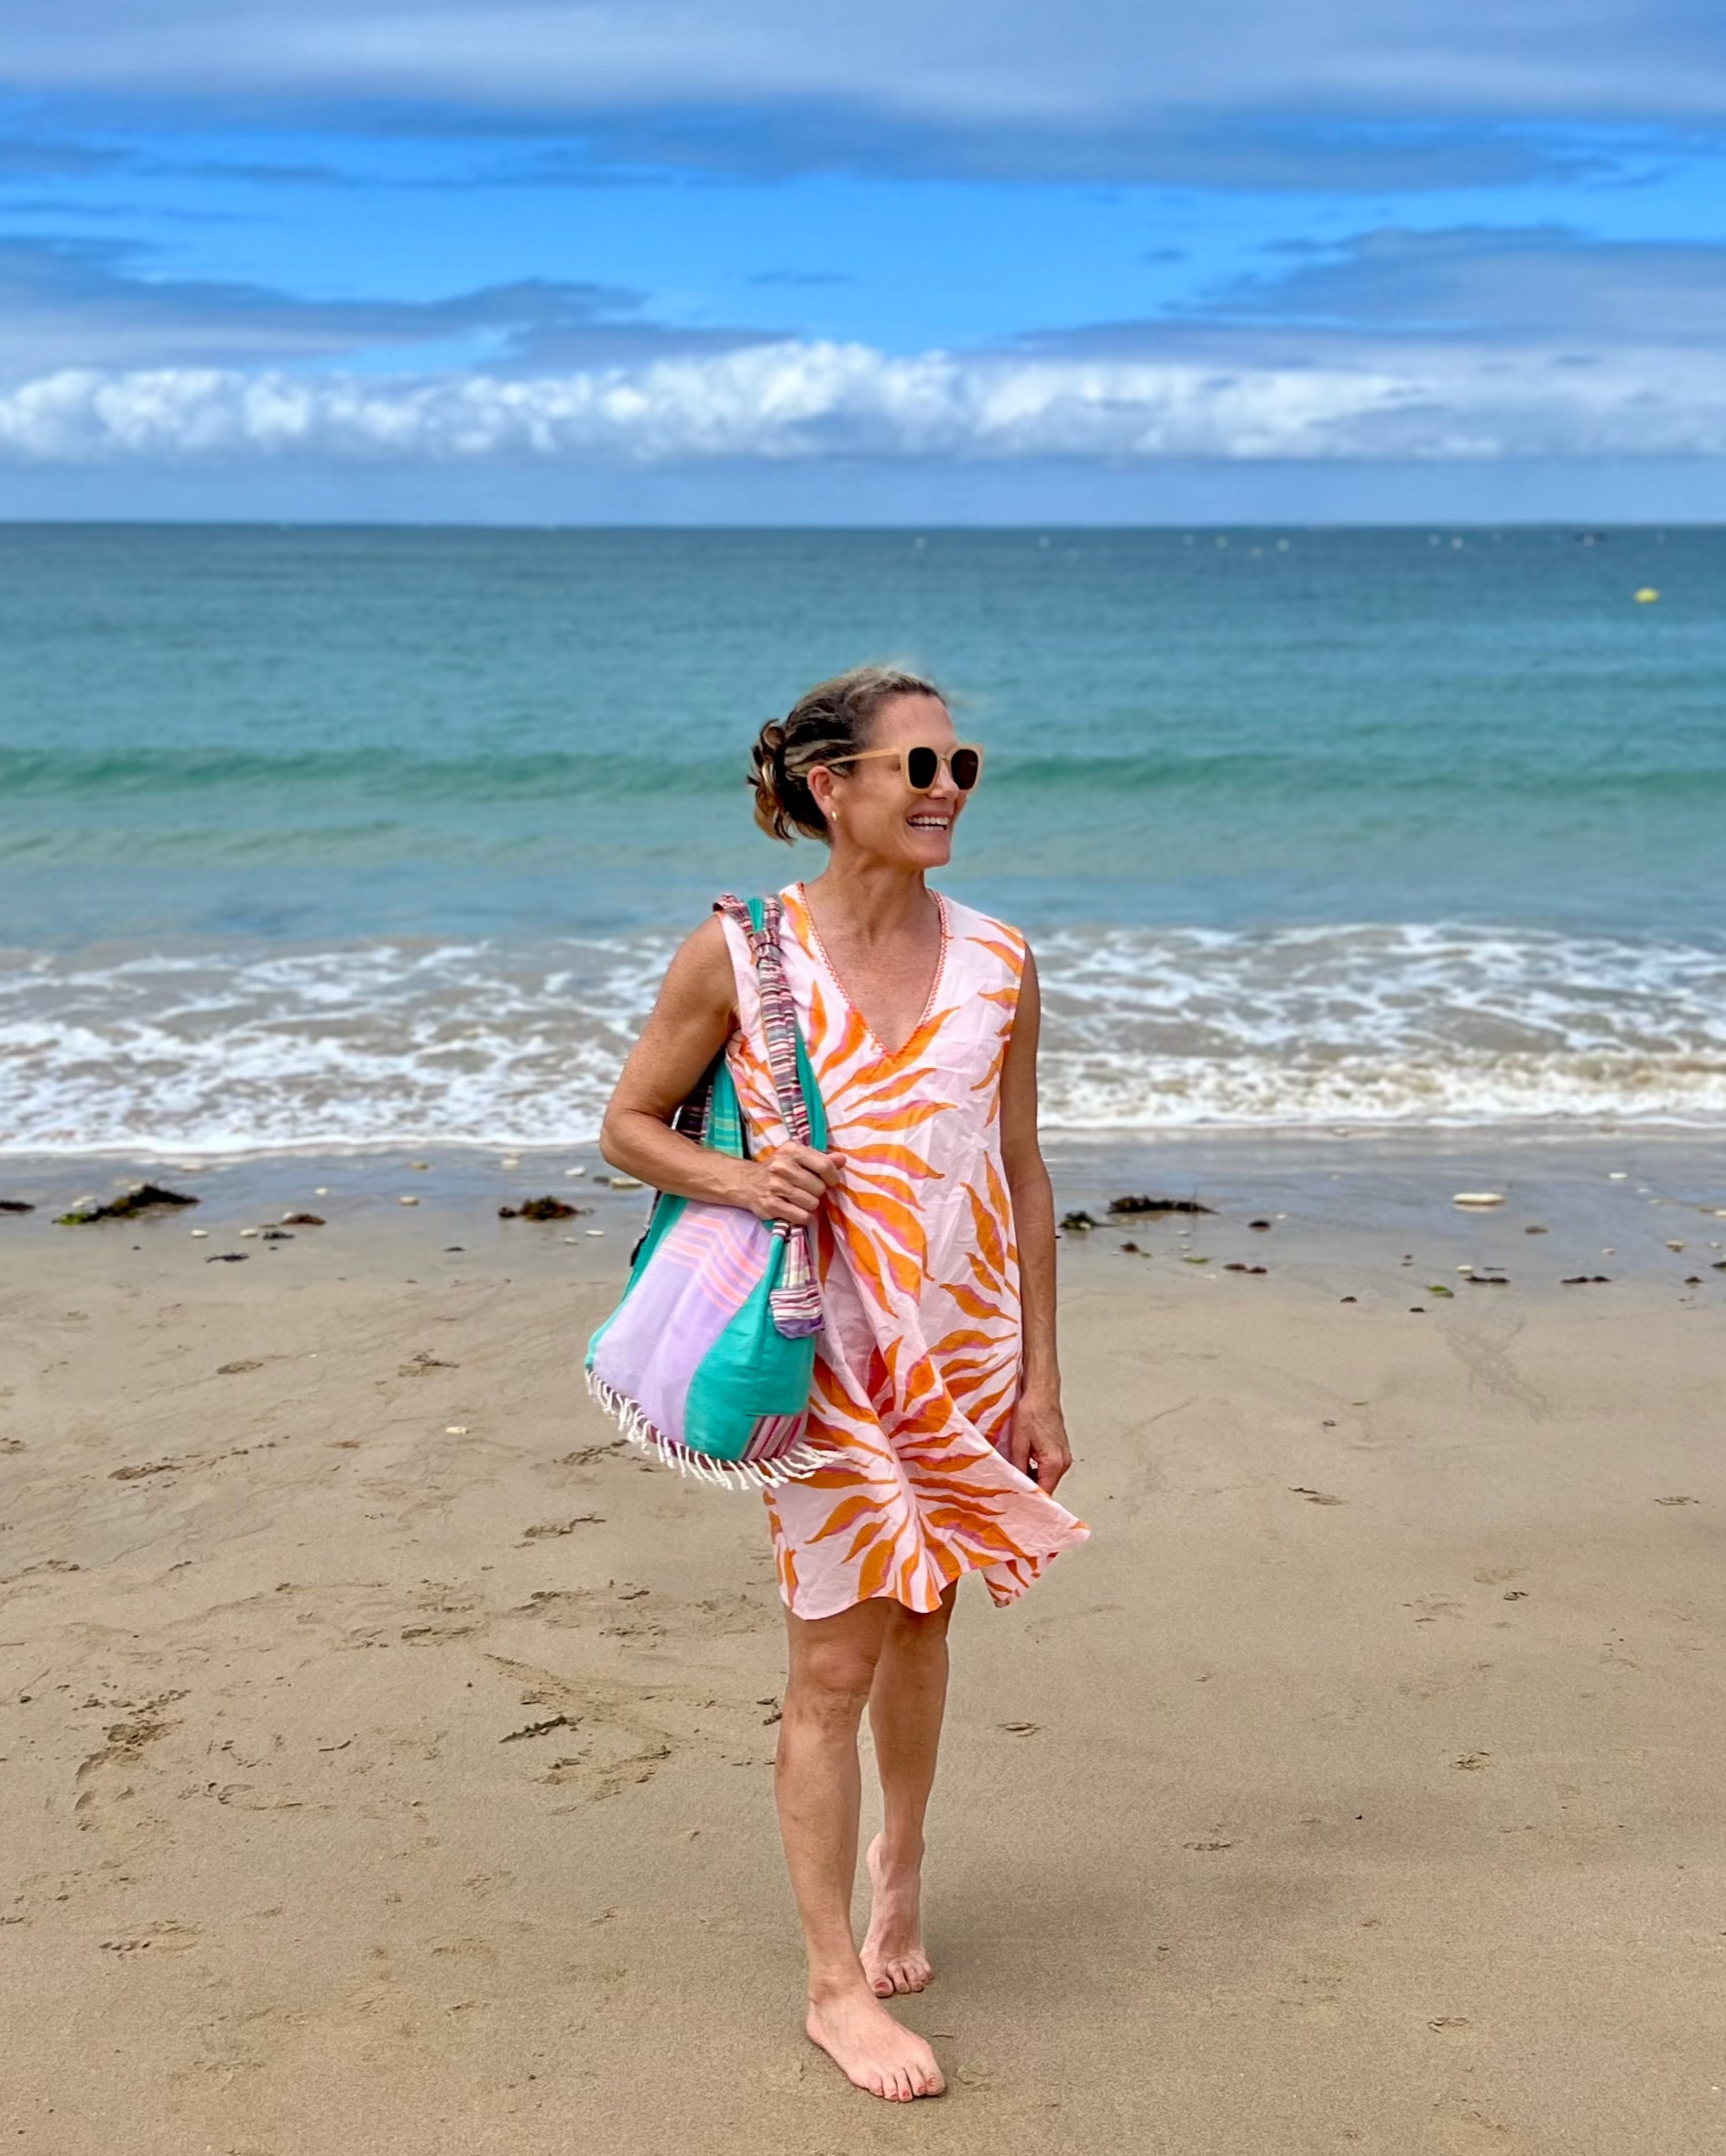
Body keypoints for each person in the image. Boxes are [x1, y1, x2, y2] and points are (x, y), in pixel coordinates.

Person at [599, 665, 1087, 2103]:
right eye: (919, 764)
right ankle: (830, 1987)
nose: (947, 788)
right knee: (830, 1661)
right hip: (828, 1364)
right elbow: (628, 1127)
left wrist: (1044, 1379)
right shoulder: (742, 951)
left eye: (963, 764)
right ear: (834, 786)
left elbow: (1023, 1171)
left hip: (970, 1348)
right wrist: (746, 1175)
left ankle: (902, 1867)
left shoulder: (1002, 957)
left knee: (926, 1622)